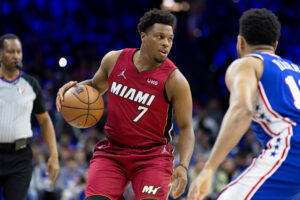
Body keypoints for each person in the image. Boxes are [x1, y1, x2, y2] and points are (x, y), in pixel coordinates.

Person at [56, 8, 195, 200]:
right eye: (160, 37)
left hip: (152, 157)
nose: (166, 43)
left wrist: (183, 166)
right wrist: (71, 90)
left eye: (170, 39)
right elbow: (94, 87)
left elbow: (187, 128)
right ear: (143, 36)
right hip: (113, 151)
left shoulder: (176, 81)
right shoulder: (114, 60)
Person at [188, 8, 300, 200]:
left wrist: (208, 169)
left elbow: (241, 111)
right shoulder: (297, 70)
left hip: (292, 146)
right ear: (275, 44)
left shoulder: (247, 64)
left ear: (240, 42)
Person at [0, 33, 59, 200]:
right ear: (0, 55)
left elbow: (45, 121)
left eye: (19, 51)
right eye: (11, 51)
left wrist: (54, 156)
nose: (16, 55)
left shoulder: (31, 84)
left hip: (20, 158)